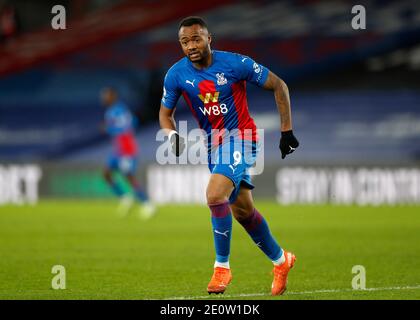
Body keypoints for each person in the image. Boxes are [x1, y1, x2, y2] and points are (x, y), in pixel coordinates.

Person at [159, 16, 300, 296]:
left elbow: (279, 85)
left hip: (241, 139)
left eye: (196, 38)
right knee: (244, 212)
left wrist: (287, 131)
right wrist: (171, 136)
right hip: (214, 145)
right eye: (184, 41)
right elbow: (165, 114)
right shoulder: (176, 74)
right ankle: (281, 260)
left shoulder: (235, 64)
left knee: (214, 195)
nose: (191, 46)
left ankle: (221, 268)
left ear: (209, 39)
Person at [101, 87, 156, 219]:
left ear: (113, 97)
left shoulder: (115, 111)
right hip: (118, 150)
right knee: (107, 173)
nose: (103, 98)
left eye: (106, 96)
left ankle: (147, 203)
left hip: (126, 149)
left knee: (128, 176)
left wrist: (109, 128)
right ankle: (125, 197)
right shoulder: (118, 110)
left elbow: (125, 128)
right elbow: (134, 122)